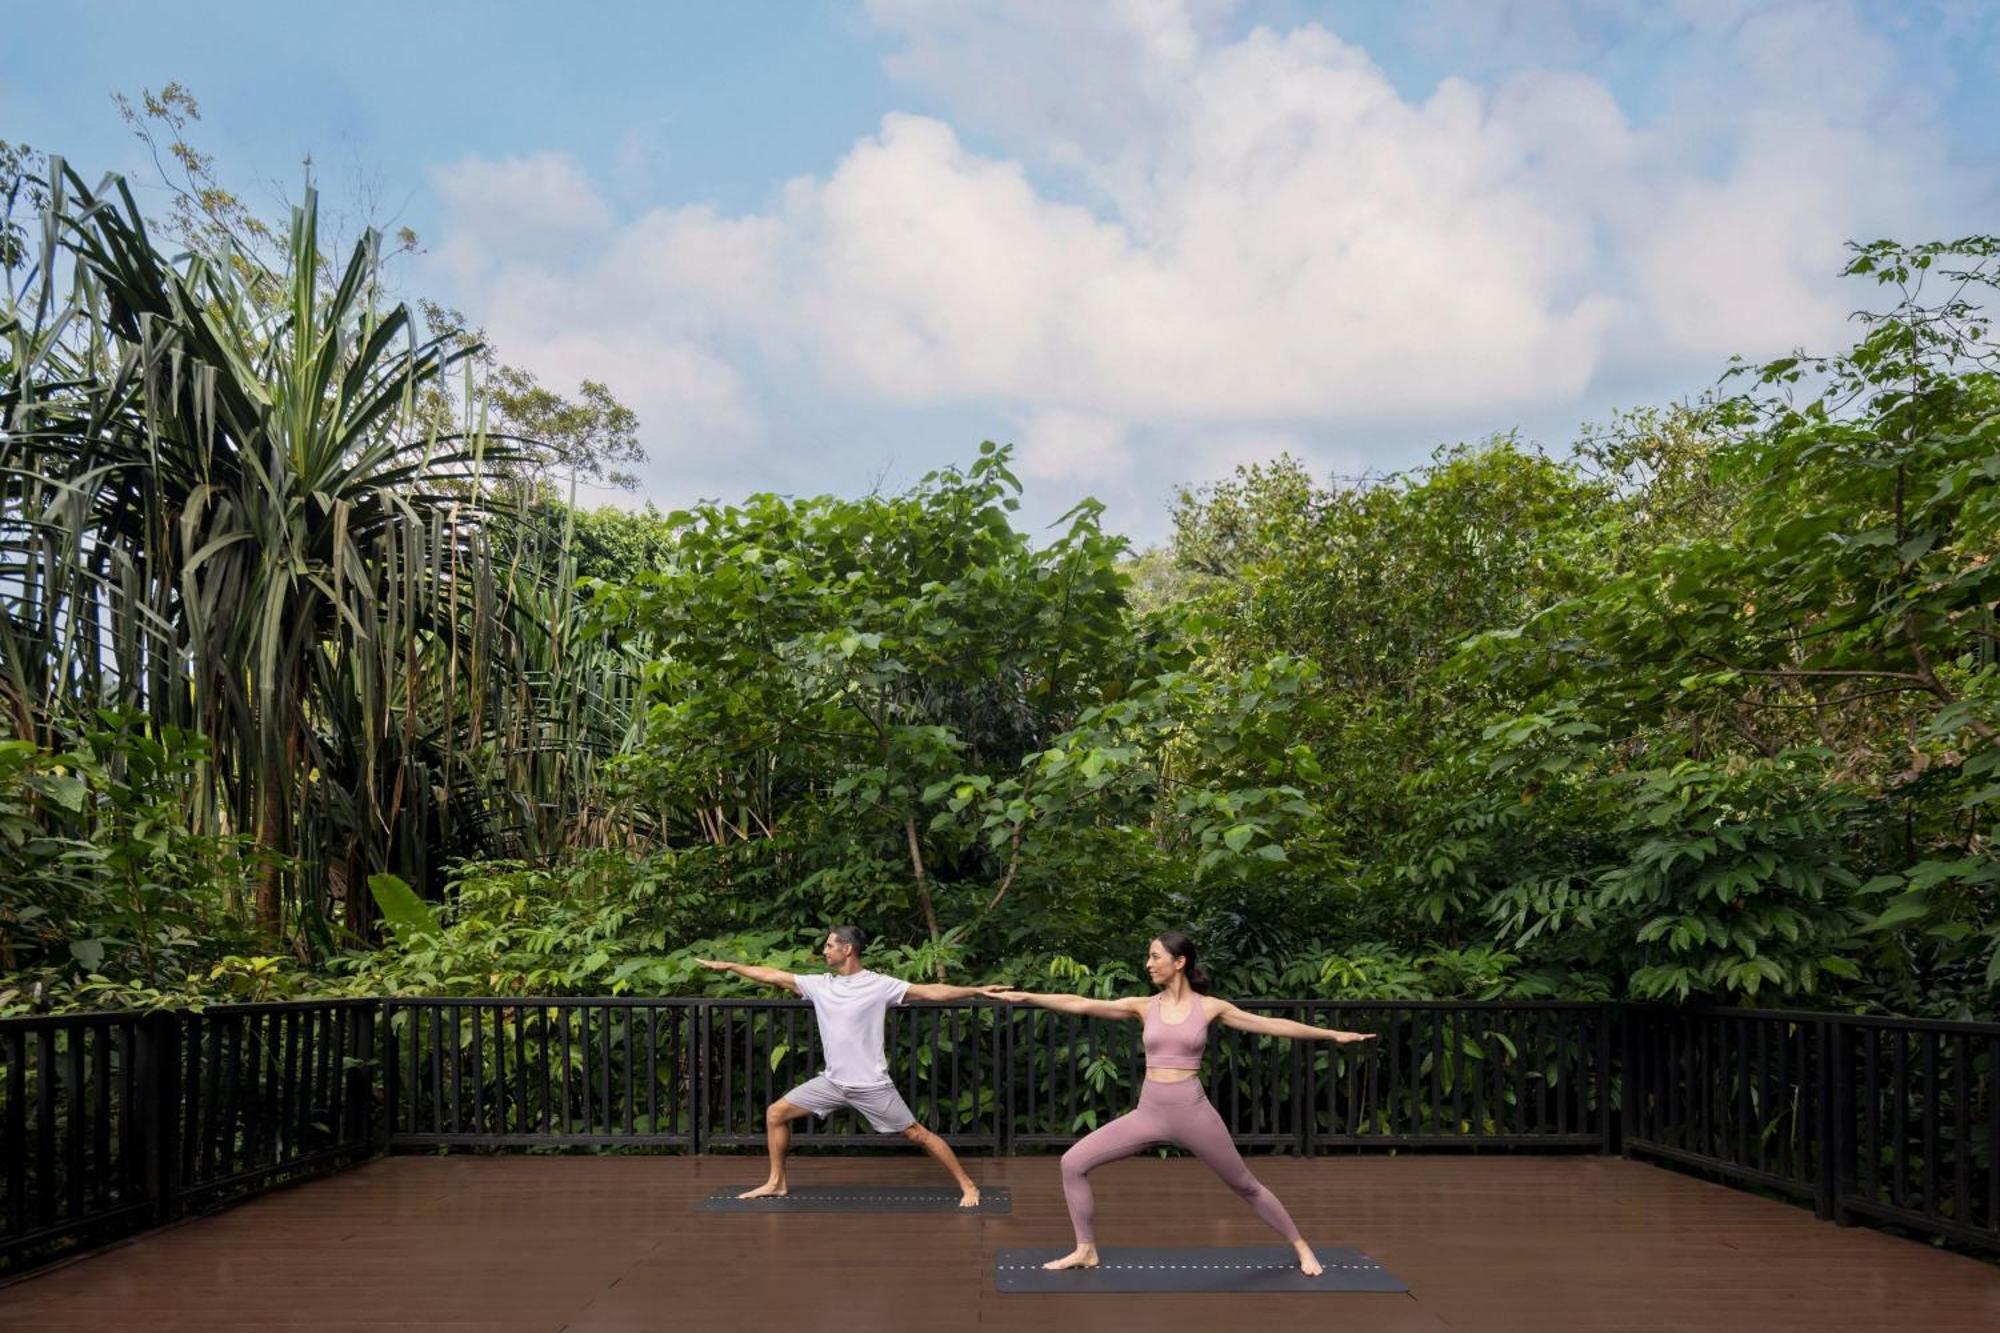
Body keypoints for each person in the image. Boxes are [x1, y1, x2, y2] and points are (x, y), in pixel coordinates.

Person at [997, 930, 1377, 1274]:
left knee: (1245, 1184)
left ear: (1179, 962)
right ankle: (1085, 1250)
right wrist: (1029, 995)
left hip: (1192, 1112)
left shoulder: (1210, 1008)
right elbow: (1079, 1003)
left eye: (1155, 957)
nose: (1148, 964)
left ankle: (1302, 1247)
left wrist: (1331, 1034)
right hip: (1149, 1113)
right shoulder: (1143, 1006)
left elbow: (1271, 1025)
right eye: (1148, 957)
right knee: (1072, 1162)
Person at [698, 925, 1006, 1207]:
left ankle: (968, 1186)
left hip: (871, 1085)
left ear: (848, 949)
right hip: (832, 1083)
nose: (824, 951)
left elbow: (931, 991)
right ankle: (777, 1183)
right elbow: (774, 976)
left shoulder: (880, 985)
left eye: (830, 945)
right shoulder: (819, 985)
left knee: (917, 1134)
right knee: (776, 1113)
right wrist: (730, 966)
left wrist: (976, 990)